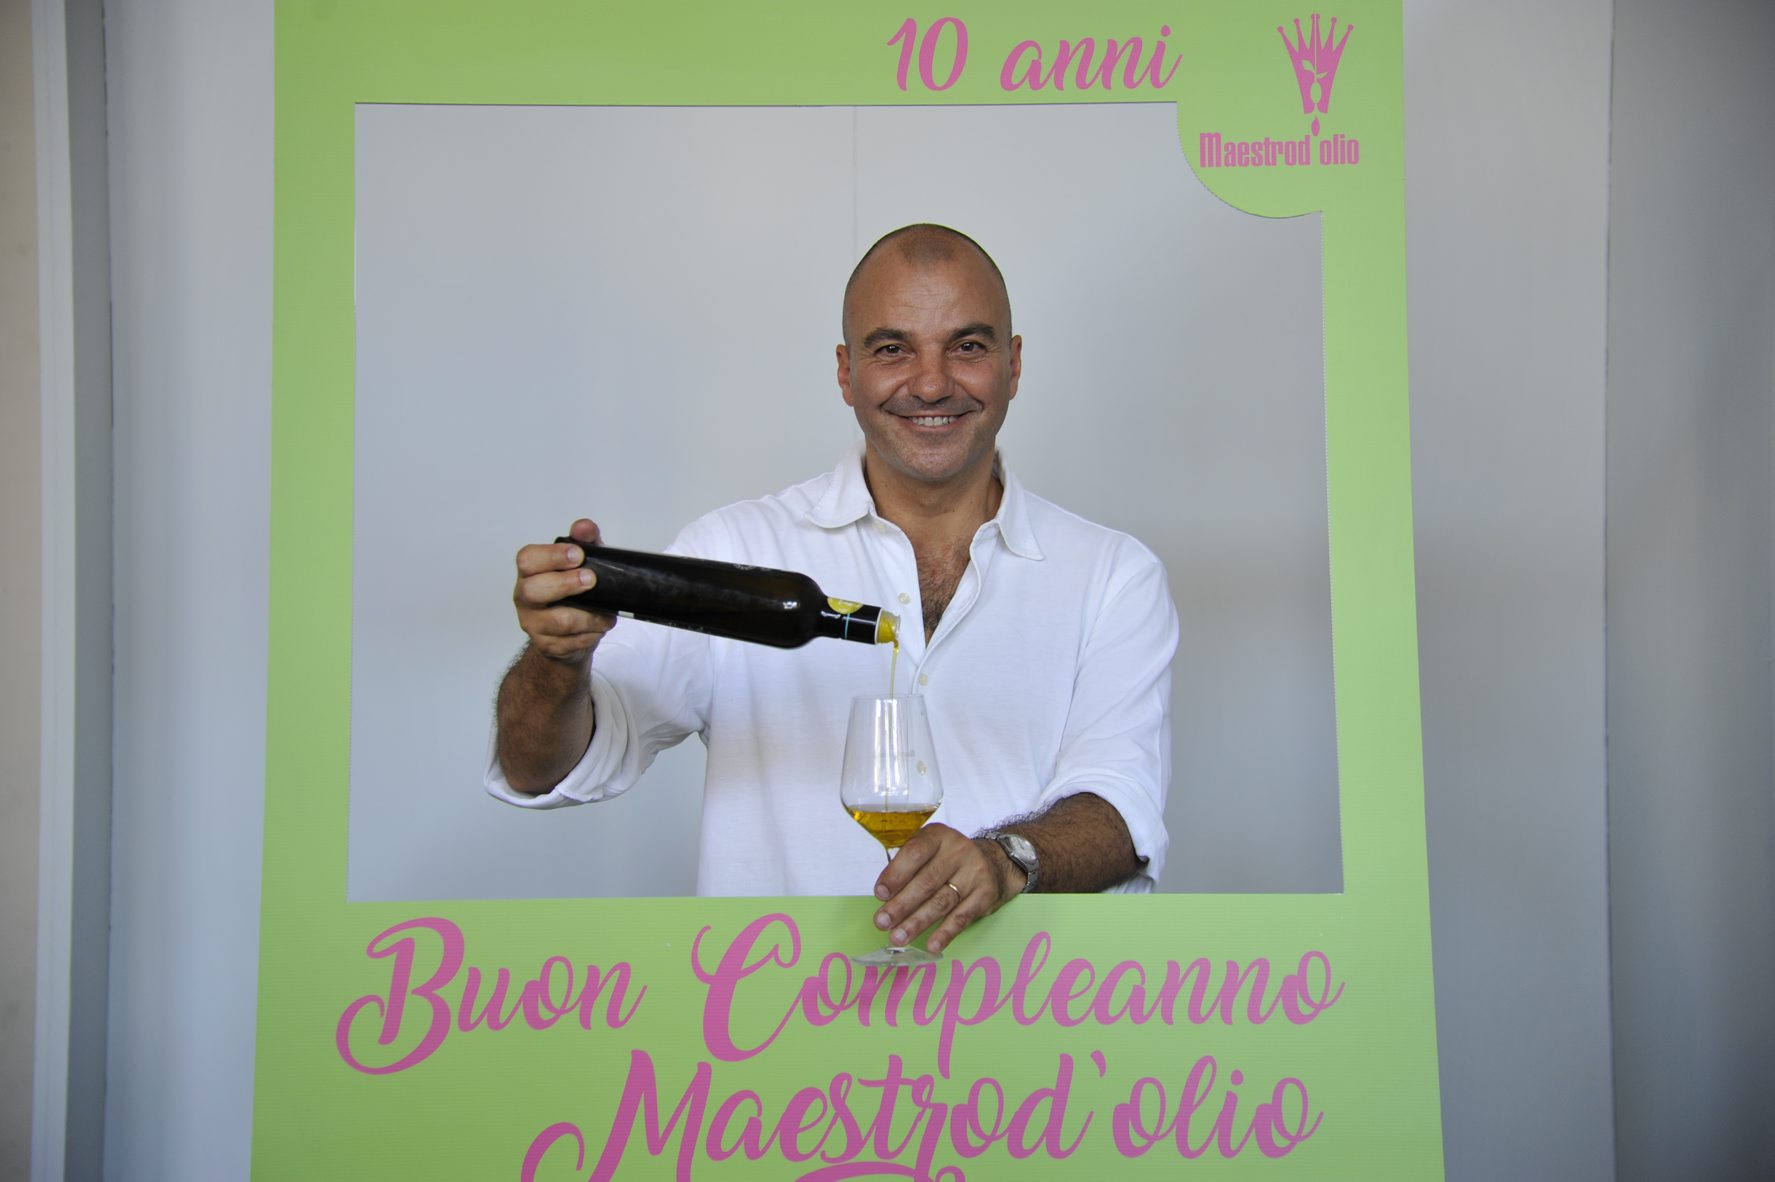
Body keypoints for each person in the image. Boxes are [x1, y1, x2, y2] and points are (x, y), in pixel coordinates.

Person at [487, 224, 1178, 956]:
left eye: (968, 346)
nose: (931, 383)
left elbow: (1120, 812)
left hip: (1018, 1016)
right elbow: (541, 769)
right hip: (773, 1011)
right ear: (847, 373)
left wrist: (1006, 860)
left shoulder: (1112, 575)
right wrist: (557, 659)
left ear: (1012, 365)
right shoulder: (734, 551)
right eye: (893, 349)